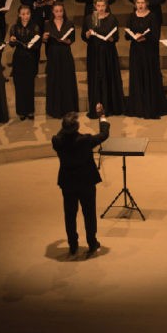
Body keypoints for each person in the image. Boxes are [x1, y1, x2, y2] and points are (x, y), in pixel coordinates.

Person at [52, 105, 110, 256]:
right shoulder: (85, 141)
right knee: (89, 213)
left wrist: (66, 125)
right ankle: (92, 242)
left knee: (70, 215)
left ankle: (73, 245)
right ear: (76, 127)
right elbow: (104, 134)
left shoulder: (57, 141)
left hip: (68, 183)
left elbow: (61, 134)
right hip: (86, 182)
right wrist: (102, 116)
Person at [83, 0, 125, 116]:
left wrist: (111, 38)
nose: (100, 8)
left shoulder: (111, 18)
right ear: (95, 6)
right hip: (94, 52)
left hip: (108, 52)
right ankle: (97, 107)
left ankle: (110, 106)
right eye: (98, 6)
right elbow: (83, 36)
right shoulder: (90, 18)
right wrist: (87, 34)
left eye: (103, 6)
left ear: (106, 6)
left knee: (108, 76)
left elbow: (116, 37)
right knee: (96, 78)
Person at [125, 0, 166, 119]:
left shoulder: (152, 16)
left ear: (147, 3)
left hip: (149, 52)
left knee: (149, 77)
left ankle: (150, 107)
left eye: (142, 3)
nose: (140, 5)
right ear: (135, 4)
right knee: (137, 77)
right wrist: (134, 36)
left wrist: (145, 37)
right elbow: (127, 35)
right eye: (138, 3)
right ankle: (138, 108)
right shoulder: (131, 16)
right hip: (136, 51)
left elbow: (156, 35)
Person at [42, 2, 79, 117]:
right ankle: (55, 109)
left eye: (61, 11)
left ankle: (69, 109)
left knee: (67, 80)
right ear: (53, 12)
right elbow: (44, 41)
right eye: (56, 11)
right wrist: (44, 38)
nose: (59, 13)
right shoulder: (47, 24)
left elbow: (72, 39)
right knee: (54, 81)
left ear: (64, 11)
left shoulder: (69, 23)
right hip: (53, 55)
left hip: (65, 53)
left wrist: (66, 41)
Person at [8, 5, 41, 121]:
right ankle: (21, 111)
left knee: (29, 85)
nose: (25, 16)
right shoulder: (14, 27)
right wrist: (12, 40)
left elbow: (38, 44)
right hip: (18, 59)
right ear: (19, 15)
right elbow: (12, 44)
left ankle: (30, 110)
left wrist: (31, 45)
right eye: (23, 14)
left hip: (30, 58)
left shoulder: (35, 27)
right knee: (19, 85)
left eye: (27, 13)